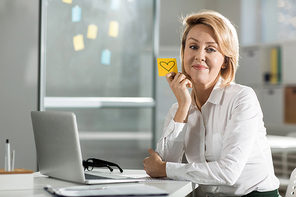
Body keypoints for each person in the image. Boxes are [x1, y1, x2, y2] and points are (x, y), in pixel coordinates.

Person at [143, 10, 280, 197]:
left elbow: (227, 173)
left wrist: (164, 169)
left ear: (225, 61)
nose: (199, 55)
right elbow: (164, 165)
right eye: (193, 47)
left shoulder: (242, 98)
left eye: (210, 49)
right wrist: (184, 105)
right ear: (183, 53)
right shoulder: (178, 109)